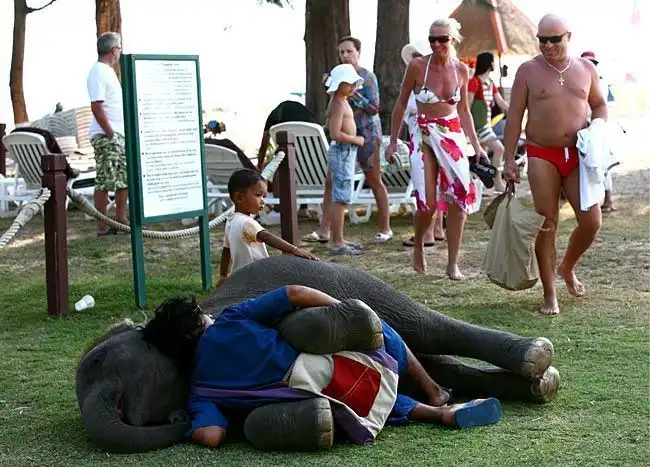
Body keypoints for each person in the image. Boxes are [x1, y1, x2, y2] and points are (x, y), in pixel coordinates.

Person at [141, 285, 502, 449]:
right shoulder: (231, 319)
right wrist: (341, 311)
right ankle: (435, 395)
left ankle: (437, 413)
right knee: (373, 351)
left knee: (348, 401)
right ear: (196, 324)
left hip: (308, 400)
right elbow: (295, 293)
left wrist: (188, 427)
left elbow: (212, 436)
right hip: (331, 365)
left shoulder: (200, 389)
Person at [503, 14, 607, 316]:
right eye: (542, 40)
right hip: (541, 154)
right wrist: (508, 159)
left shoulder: (586, 69)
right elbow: (514, 116)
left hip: (577, 154)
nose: (547, 45)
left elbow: (599, 105)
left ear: (568, 37)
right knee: (547, 223)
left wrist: (599, 127)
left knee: (592, 221)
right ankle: (550, 293)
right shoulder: (528, 70)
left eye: (554, 39)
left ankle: (567, 267)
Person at [385, 19, 488, 277]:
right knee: (427, 204)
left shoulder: (461, 70)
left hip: (452, 134)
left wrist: (476, 145)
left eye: (442, 39)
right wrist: (394, 140)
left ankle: (453, 263)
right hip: (422, 133)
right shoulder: (418, 66)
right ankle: (419, 244)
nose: (436, 44)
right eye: (432, 39)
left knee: (460, 198)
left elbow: (463, 110)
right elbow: (400, 104)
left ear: (453, 39)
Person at [303, 37, 393, 244]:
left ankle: (385, 228)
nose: (345, 55)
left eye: (349, 51)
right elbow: (333, 107)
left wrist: (350, 92)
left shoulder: (366, 77)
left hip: (366, 136)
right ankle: (324, 230)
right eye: (341, 52)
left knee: (374, 179)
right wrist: (335, 88)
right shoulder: (338, 76)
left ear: (358, 52)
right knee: (330, 181)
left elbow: (374, 107)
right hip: (343, 136)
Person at [216, 169, 318, 287]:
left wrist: (223, 275)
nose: (263, 201)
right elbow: (267, 237)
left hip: (239, 276)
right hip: (258, 275)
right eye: (258, 195)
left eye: (264, 196)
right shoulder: (247, 222)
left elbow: (226, 251)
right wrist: (295, 250)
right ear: (239, 197)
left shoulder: (231, 221)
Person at [316, 64, 366, 255]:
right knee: (341, 197)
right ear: (338, 84)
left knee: (336, 192)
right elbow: (335, 133)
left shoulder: (342, 100)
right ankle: (336, 241)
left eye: (354, 83)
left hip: (344, 152)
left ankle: (339, 238)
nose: (353, 87)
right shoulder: (338, 103)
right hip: (343, 151)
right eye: (349, 83)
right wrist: (356, 139)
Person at [399, 44, 446, 249]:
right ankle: (437, 229)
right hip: (433, 138)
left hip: (424, 138)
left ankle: (427, 233)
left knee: (425, 184)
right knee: (435, 183)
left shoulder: (423, 83)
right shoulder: (438, 77)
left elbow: (409, 108)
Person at [87, 32, 128, 237]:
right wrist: (110, 133)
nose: (120, 52)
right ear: (114, 50)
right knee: (105, 179)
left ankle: (120, 220)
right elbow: (96, 106)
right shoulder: (98, 72)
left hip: (118, 135)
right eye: (119, 48)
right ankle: (102, 225)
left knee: (123, 178)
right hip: (106, 136)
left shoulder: (109, 72)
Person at [256, 100, 316, 219]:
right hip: (312, 166)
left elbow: (263, 146)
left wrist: (259, 167)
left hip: (287, 161)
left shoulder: (274, 117)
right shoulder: (309, 120)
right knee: (299, 165)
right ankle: (303, 208)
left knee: (281, 162)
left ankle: (279, 209)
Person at [468, 52, 509, 193]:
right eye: (493, 61)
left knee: (482, 158)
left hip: (485, 124)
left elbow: (500, 101)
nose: (494, 64)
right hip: (478, 126)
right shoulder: (474, 82)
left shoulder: (490, 83)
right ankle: (498, 183)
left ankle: (481, 187)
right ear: (488, 63)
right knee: (499, 149)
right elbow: (468, 104)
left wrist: (516, 110)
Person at [581, 50, 617, 213]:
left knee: (601, 163)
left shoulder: (601, 82)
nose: (590, 65)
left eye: (593, 63)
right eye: (587, 62)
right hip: (583, 128)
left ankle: (608, 199)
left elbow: (606, 107)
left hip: (599, 128)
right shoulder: (577, 79)